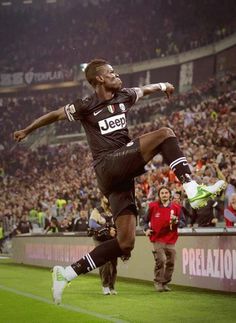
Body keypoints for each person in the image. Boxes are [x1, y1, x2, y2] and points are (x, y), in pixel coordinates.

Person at [13, 58, 225, 304]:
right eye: (111, 72)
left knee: (125, 242)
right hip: (107, 164)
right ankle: (192, 187)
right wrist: (28, 130)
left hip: (119, 177)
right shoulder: (85, 105)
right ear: (100, 79)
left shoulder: (124, 95)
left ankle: (67, 273)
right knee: (166, 133)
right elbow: (54, 115)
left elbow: (145, 90)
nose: (116, 74)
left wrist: (165, 84)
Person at [144, 186, 185, 292]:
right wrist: (146, 229)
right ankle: (158, 282)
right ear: (159, 195)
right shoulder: (153, 206)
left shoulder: (176, 208)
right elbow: (144, 221)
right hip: (157, 238)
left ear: (169, 194)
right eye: (162, 193)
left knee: (171, 262)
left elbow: (183, 223)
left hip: (171, 239)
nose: (164, 195)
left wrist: (177, 222)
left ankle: (165, 282)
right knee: (161, 260)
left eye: (166, 192)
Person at [88, 196, 117, 295]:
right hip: (100, 238)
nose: (109, 198)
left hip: (112, 238)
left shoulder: (114, 210)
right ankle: (105, 286)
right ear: (102, 198)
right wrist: (107, 229)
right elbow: (92, 224)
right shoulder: (97, 211)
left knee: (113, 263)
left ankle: (111, 286)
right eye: (106, 196)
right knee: (105, 262)